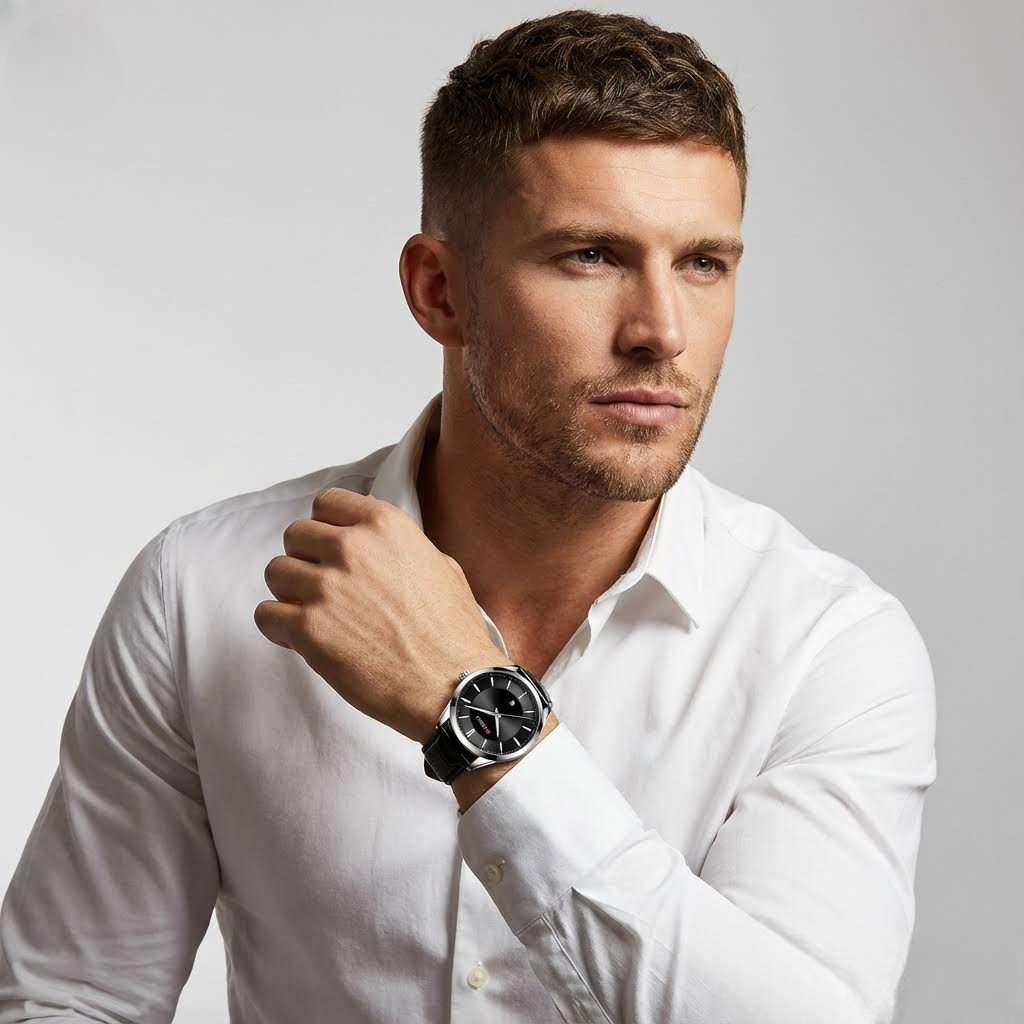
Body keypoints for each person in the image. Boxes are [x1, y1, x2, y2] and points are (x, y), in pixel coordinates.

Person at [0, 9, 936, 1023]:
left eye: (703, 263)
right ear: (439, 290)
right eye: (591, 255)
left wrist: (479, 715)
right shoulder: (203, 590)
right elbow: (70, 997)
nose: (661, 331)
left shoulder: (825, 645)